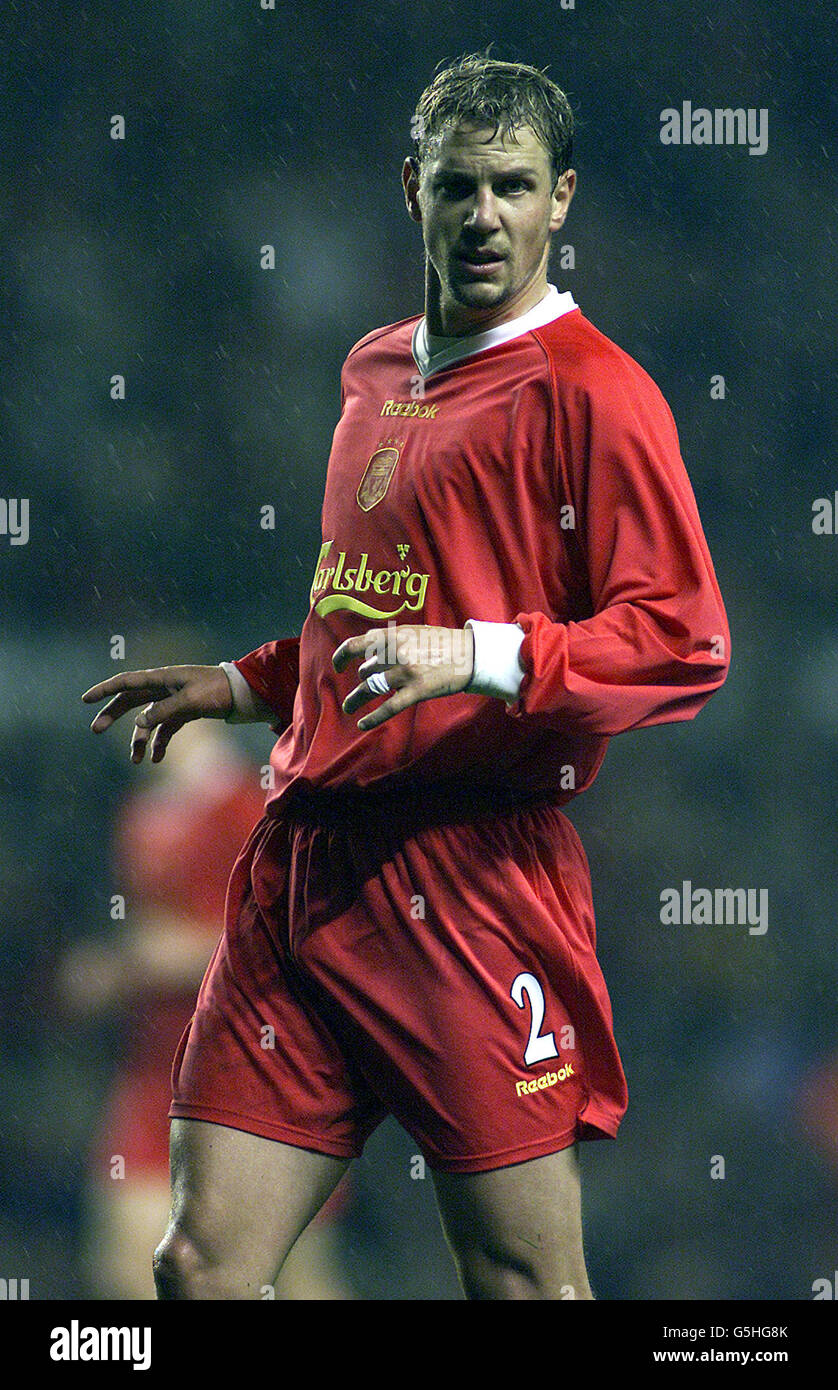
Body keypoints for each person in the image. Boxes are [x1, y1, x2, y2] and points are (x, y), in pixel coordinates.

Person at [82, 52, 730, 1300]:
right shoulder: (374, 369)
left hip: (469, 877)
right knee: (200, 1265)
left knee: (523, 1281)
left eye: (513, 187)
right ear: (412, 190)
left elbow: (682, 639)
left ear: (562, 200)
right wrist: (243, 681)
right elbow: (369, 621)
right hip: (304, 859)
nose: (484, 213)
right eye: (458, 185)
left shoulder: (596, 393)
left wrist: (482, 656)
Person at [59, 721, 354, 1299]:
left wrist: (161, 960)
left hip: (255, 1066)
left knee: (292, 1278)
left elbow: (299, 934)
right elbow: (153, 938)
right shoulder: (141, 815)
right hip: (157, 1068)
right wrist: (121, 971)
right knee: (128, 1264)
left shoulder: (253, 803)